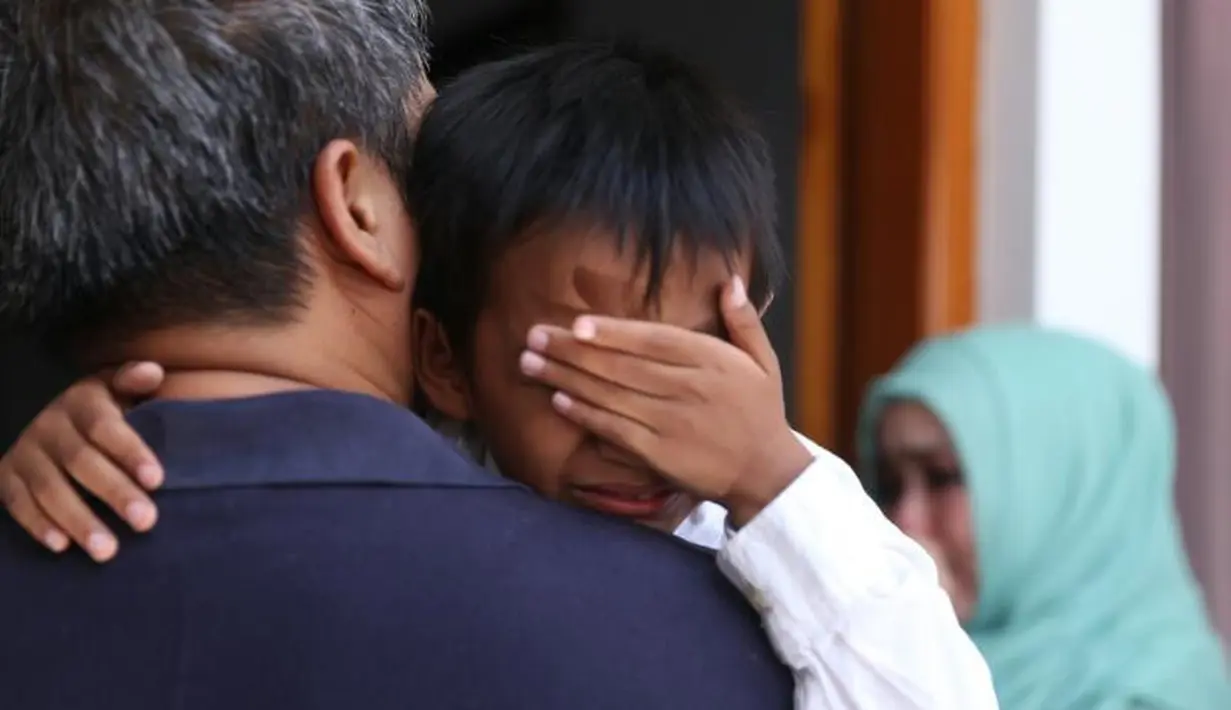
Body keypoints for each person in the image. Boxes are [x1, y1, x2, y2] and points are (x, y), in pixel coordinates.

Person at [0, 38, 998, 710]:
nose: (631, 430)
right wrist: (98, 426)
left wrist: (776, 479)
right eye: (585, 371)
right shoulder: (403, 494)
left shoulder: (783, 534)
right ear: (445, 361)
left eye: (684, 372)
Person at [859, 325, 1231, 710]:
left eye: (942, 476)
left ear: (1060, 493)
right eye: (888, 485)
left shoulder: (1149, 698)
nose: (904, 520)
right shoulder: (900, 657)